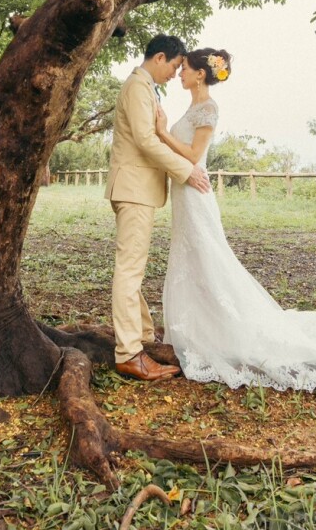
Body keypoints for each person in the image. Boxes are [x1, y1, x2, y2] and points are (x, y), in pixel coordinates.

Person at [155, 47, 316, 389]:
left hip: (195, 190)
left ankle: (221, 329)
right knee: (191, 256)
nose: (180, 73)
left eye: (186, 69)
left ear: (201, 74)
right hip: (183, 190)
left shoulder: (208, 108)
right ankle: (200, 324)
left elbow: (194, 154)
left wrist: (162, 133)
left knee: (208, 256)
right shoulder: (192, 107)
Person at [105, 33, 211, 382]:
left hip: (138, 189)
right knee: (130, 270)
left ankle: (145, 337)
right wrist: (186, 170)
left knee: (133, 267)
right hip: (133, 189)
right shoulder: (138, 86)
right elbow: (146, 140)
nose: (175, 74)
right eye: (176, 66)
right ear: (161, 57)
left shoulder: (145, 87)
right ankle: (129, 354)